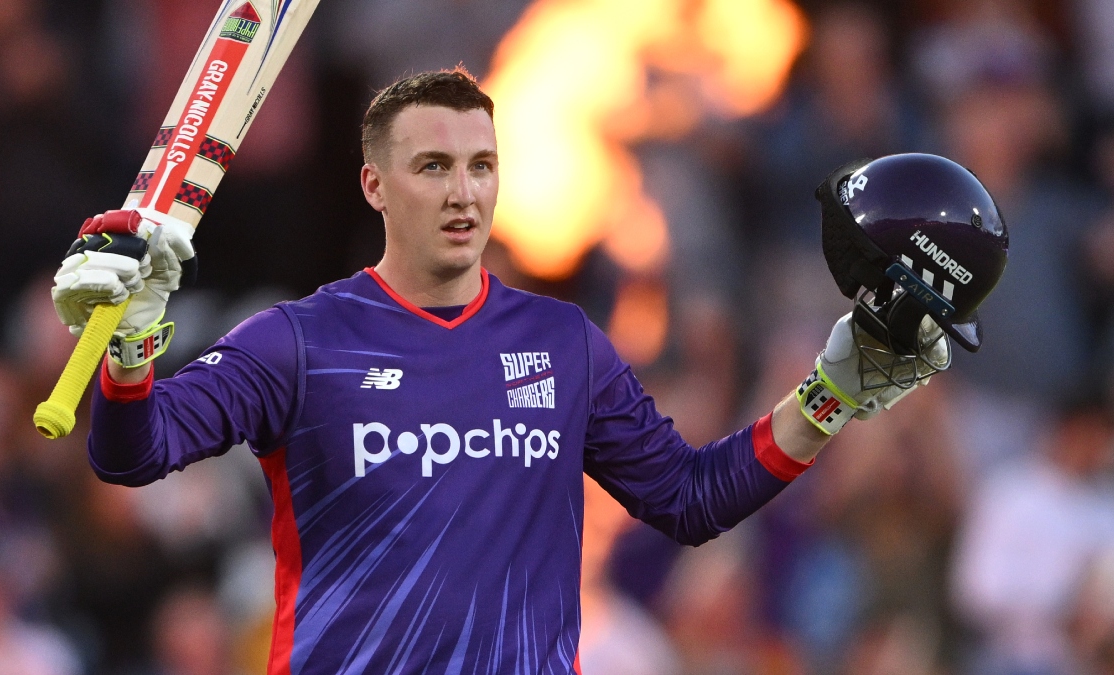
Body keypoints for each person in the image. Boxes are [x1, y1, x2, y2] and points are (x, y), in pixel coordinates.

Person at [49, 69, 983, 674]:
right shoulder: (298, 340)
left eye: (481, 166)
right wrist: (130, 347)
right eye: (432, 166)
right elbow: (132, 454)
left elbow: (691, 499)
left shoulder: (566, 343)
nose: (463, 193)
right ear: (375, 184)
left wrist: (831, 396)